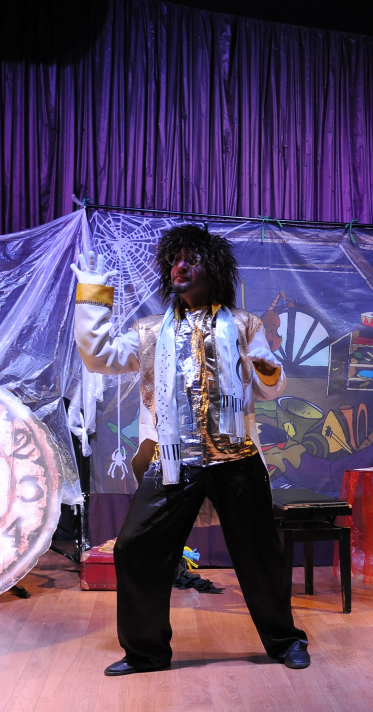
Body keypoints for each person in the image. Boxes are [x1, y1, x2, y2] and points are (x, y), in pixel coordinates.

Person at [72, 224, 310, 674]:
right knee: (135, 548)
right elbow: (98, 356)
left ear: (213, 269)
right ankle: (145, 652)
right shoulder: (149, 331)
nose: (179, 267)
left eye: (190, 260)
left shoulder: (244, 324)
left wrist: (266, 369)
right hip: (173, 461)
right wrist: (92, 296)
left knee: (261, 555)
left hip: (236, 457)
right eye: (173, 260)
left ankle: (285, 641)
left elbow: (268, 387)